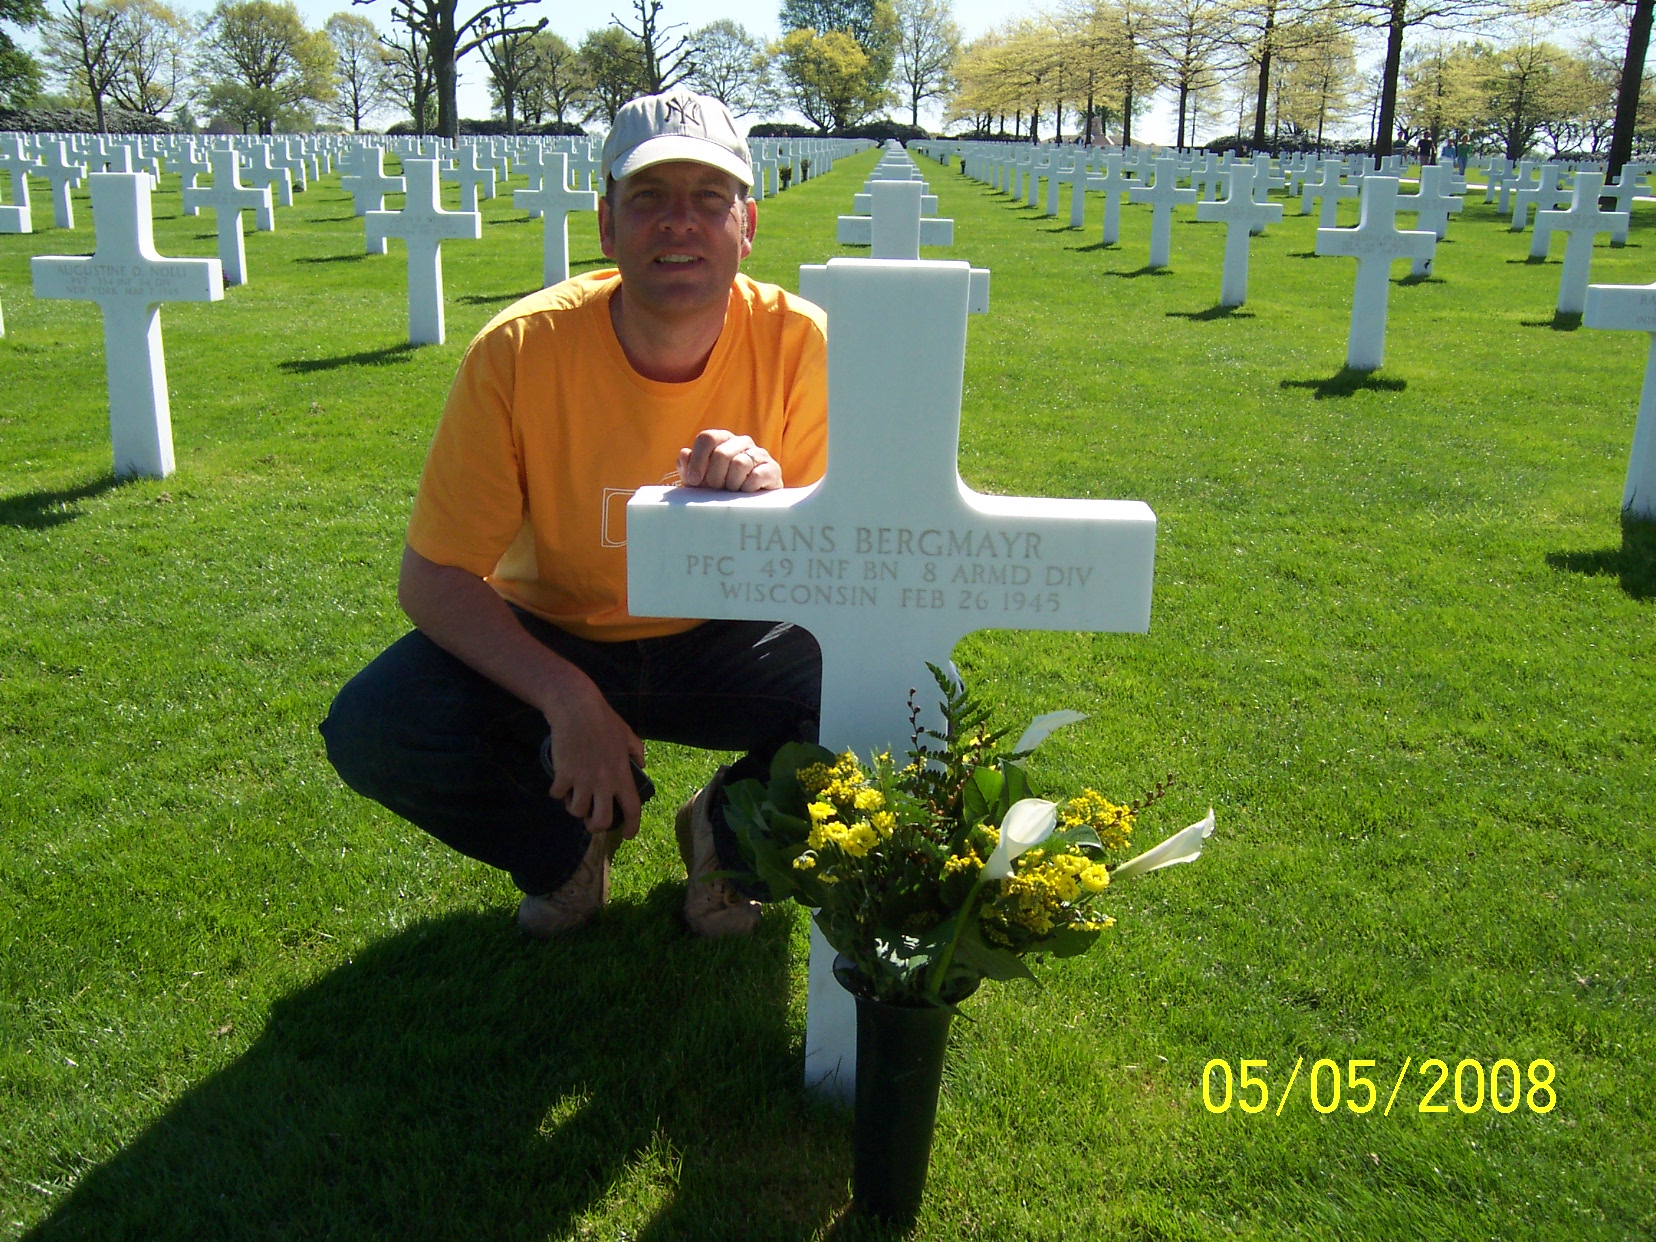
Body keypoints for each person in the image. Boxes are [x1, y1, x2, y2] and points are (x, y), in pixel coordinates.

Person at [320, 90, 826, 940]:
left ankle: (728, 835)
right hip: (556, 626)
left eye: (709, 198)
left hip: (726, 636)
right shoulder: (520, 351)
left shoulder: (800, 342)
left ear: (748, 225)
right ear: (605, 224)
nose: (679, 223)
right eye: (649, 198)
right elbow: (433, 576)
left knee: (901, 703)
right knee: (380, 725)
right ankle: (569, 845)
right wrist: (569, 698)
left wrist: (776, 500)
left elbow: (841, 563)